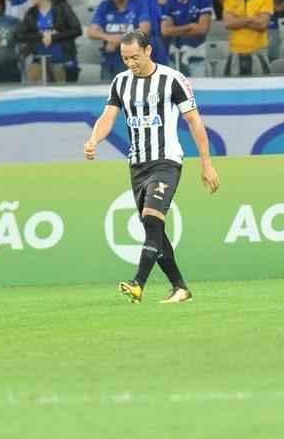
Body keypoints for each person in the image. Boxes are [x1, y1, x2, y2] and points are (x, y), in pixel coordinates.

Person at [85, 29, 220, 303]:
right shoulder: (121, 82)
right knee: (153, 228)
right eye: (125, 58)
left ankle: (138, 283)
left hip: (166, 160)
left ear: (148, 51)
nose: (130, 63)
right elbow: (108, 116)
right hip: (137, 165)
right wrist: (94, 139)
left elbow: (194, 122)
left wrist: (206, 163)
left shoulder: (172, 80)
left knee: (151, 218)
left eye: (135, 57)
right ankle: (180, 288)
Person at [19, 0, 81, 84]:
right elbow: (21, 35)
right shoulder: (31, 12)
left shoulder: (62, 8)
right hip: (38, 62)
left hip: (63, 61)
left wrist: (54, 37)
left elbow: (77, 30)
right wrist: (42, 36)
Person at [222, 0, 274, 76]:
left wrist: (238, 20)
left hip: (258, 52)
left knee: (263, 92)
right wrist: (251, 19)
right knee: (234, 93)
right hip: (235, 53)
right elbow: (228, 23)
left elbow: (262, 25)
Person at [160, 0, 213, 78]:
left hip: (197, 57)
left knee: (200, 93)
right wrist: (190, 26)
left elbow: (203, 29)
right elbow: (165, 31)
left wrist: (176, 29)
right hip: (175, 58)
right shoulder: (171, 2)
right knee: (174, 94)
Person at [87, 0, 140, 82]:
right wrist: (110, 38)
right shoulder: (104, 5)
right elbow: (91, 32)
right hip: (109, 62)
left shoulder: (139, 5)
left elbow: (144, 30)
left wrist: (120, 41)